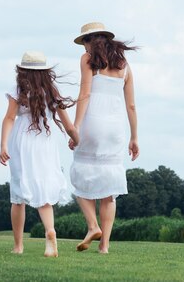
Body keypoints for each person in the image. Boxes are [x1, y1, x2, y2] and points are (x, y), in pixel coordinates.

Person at [68, 22, 140, 254]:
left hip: (93, 122)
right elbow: (131, 105)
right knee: (109, 189)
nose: (84, 48)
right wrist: (134, 137)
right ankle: (105, 246)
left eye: (85, 43)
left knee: (80, 173)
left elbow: (85, 93)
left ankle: (92, 226)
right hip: (116, 127)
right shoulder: (124, 65)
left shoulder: (88, 61)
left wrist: (75, 127)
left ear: (91, 41)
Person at [0, 51, 79, 257]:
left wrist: (3, 145)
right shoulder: (51, 91)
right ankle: (50, 230)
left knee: (18, 195)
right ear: (44, 72)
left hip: (22, 141)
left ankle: (18, 246)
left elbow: (9, 118)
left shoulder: (19, 89)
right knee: (42, 188)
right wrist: (77, 141)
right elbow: (69, 126)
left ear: (22, 70)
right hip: (45, 141)